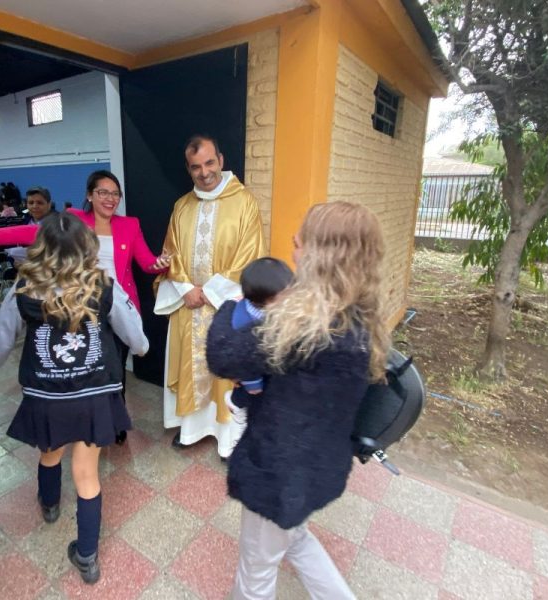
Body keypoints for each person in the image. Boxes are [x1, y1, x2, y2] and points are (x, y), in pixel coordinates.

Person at [205, 201, 390, 599]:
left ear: (324, 256)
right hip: (317, 466)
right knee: (297, 541)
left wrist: (226, 306)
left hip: (277, 473)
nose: (293, 242)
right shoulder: (357, 317)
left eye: (302, 239)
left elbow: (222, 353)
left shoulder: (305, 326)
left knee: (256, 569)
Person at [0, 212, 149, 585]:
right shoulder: (103, 284)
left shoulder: (24, 287)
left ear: (40, 249)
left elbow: (3, 335)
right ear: (87, 247)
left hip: (46, 395)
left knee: (50, 452)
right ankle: (87, 556)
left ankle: (51, 505)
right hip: (93, 395)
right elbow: (134, 334)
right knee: (87, 472)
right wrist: (141, 347)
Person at [0, 170, 171, 444]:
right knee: (78, 366)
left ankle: (113, 418)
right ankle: (77, 417)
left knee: (114, 368)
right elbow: (36, 232)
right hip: (77, 304)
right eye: (103, 192)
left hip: (115, 305)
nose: (110, 198)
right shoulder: (74, 220)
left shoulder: (130, 225)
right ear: (90, 194)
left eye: (115, 194)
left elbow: (147, 262)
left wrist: (161, 264)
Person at [154, 134, 266, 458]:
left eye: (209, 163)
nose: (204, 173)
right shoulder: (182, 206)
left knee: (224, 370)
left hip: (224, 306)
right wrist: (187, 289)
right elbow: (169, 253)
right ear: (188, 170)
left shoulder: (244, 202)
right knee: (190, 367)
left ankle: (226, 440)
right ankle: (189, 432)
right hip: (188, 306)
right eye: (195, 167)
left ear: (221, 159)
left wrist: (210, 292)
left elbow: (250, 256)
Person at [224, 257, 293, 445]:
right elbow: (244, 358)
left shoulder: (271, 310)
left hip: (268, 369)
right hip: (250, 376)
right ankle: (236, 407)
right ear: (265, 298)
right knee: (246, 397)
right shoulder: (242, 320)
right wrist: (253, 383)